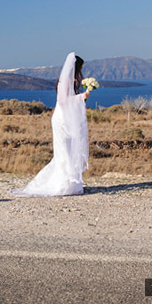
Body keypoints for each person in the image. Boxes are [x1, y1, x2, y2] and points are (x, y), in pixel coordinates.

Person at [12, 52, 90, 197]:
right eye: (81, 68)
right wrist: (81, 98)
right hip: (62, 120)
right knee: (63, 152)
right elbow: (63, 101)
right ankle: (62, 184)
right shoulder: (65, 81)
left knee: (69, 150)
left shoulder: (70, 80)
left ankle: (70, 183)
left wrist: (80, 99)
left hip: (67, 118)